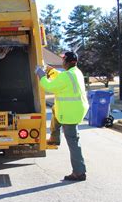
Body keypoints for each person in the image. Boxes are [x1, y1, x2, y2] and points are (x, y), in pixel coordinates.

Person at [35, 51, 89, 181]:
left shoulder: (67, 76)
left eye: (63, 60)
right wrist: (50, 70)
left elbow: (49, 86)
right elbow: (61, 77)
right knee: (55, 110)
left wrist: (41, 75)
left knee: (73, 142)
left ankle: (79, 172)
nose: (62, 62)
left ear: (67, 62)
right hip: (74, 110)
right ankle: (54, 138)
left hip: (69, 113)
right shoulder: (75, 72)